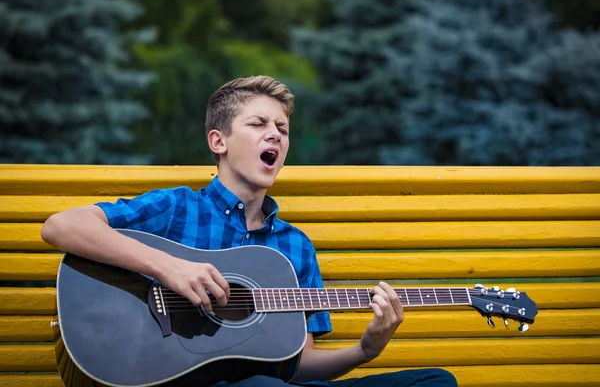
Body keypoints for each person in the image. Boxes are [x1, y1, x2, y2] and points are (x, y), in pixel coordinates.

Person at [41, 76, 457, 387]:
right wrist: (170, 268)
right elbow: (62, 226)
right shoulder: (177, 207)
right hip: (164, 378)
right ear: (218, 141)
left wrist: (366, 350)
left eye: (282, 128)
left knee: (435, 381)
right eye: (258, 123)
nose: (275, 133)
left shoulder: (293, 247)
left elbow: (298, 367)